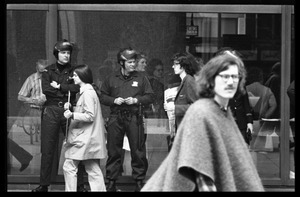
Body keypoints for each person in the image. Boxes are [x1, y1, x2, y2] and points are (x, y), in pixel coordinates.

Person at [141, 53, 264, 191]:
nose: (230, 82)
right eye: (224, 76)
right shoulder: (202, 112)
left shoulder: (223, 112)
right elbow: (199, 167)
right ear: (211, 80)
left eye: (235, 77)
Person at [32, 40, 86, 192]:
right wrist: (64, 91)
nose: (66, 56)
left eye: (68, 53)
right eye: (63, 53)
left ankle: (79, 185)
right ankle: (44, 184)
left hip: (69, 110)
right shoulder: (48, 72)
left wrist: (61, 87)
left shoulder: (75, 71)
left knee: (75, 146)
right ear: (57, 54)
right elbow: (47, 90)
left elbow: (77, 87)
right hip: (51, 110)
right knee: (48, 148)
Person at [100, 47, 154, 192]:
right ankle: (111, 181)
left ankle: (139, 182)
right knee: (114, 150)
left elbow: (150, 96)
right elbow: (102, 96)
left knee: (138, 150)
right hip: (115, 117)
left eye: (134, 62)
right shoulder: (111, 78)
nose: (133, 64)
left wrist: (136, 100)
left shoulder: (141, 78)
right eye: (130, 62)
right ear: (121, 63)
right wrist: (113, 100)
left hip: (134, 117)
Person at [63, 64, 107, 191]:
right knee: (92, 168)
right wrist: (72, 108)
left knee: (69, 165)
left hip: (84, 138)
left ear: (83, 76)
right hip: (88, 138)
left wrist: (72, 114)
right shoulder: (88, 92)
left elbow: (89, 116)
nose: (73, 77)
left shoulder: (87, 93)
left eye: (76, 75)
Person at [8, 59, 48, 172]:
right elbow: (19, 96)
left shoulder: (50, 79)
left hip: (47, 110)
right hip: (34, 110)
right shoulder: (31, 79)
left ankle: (26, 159)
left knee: (46, 139)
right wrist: (33, 100)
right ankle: (25, 158)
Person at [214, 48, 254, 146]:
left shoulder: (239, 78)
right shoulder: (215, 79)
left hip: (240, 121)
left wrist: (249, 122)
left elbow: (245, 102)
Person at [164, 52, 199, 151]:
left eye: (175, 64)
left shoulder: (189, 81)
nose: (173, 66)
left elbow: (196, 107)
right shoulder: (185, 81)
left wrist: (174, 108)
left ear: (183, 66)